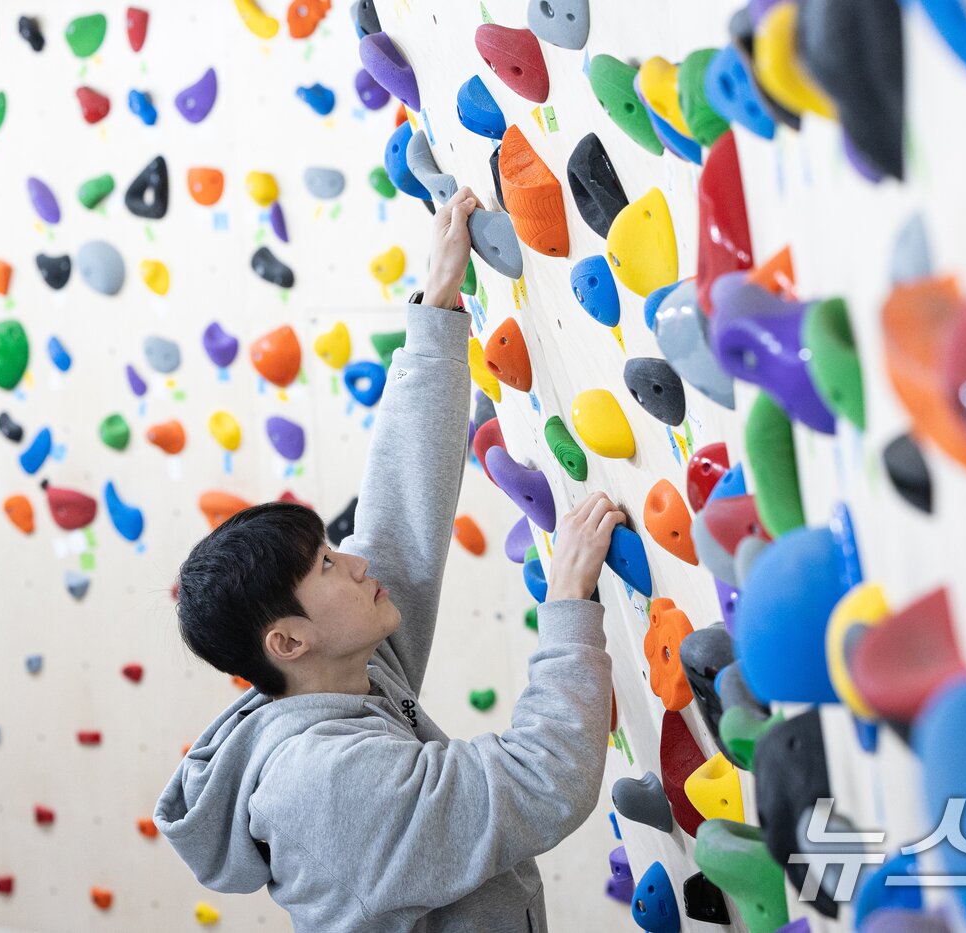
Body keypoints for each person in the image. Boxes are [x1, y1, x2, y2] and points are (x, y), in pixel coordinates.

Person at [154, 187, 623, 931]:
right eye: (328, 568)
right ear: (287, 639)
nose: (357, 564)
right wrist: (568, 610)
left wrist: (435, 312)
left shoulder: (336, 675)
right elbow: (544, 780)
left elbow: (399, 522)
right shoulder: (328, 783)